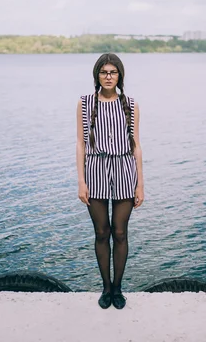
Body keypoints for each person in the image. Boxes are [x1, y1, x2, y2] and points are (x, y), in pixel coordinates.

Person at [76, 53, 144, 309]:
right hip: (95, 168)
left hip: (125, 168)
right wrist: (81, 181)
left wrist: (140, 184)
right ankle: (105, 288)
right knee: (102, 233)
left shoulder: (130, 104)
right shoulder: (85, 104)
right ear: (97, 75)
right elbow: (81, 144)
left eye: (112, 72)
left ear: (119, 76)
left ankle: (118, 289)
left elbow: (136, 145)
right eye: (103, 72)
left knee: (120, 232)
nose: (108, 77)